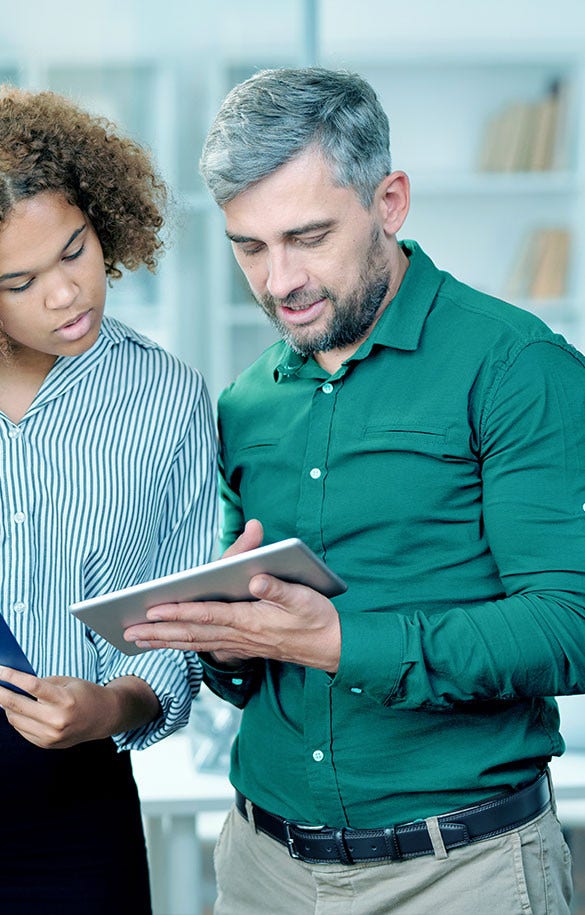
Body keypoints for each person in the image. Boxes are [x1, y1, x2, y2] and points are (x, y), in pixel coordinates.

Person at [124, 67, 585, 914]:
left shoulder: (515, 366)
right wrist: (228, 642)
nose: (278, 281)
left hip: (459, 874)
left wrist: (342, 641)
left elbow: (570, 622)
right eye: (248, 246)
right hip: (261, 868)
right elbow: (248, 674)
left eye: (307, 236)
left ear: (390, 202)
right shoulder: (245, 403)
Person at [0, 85, 217, 915]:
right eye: (19, 280)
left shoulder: (164, 397)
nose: (66, 293)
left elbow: (173, 629)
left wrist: (109, 706)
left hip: (72, 817)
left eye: (75, 249)